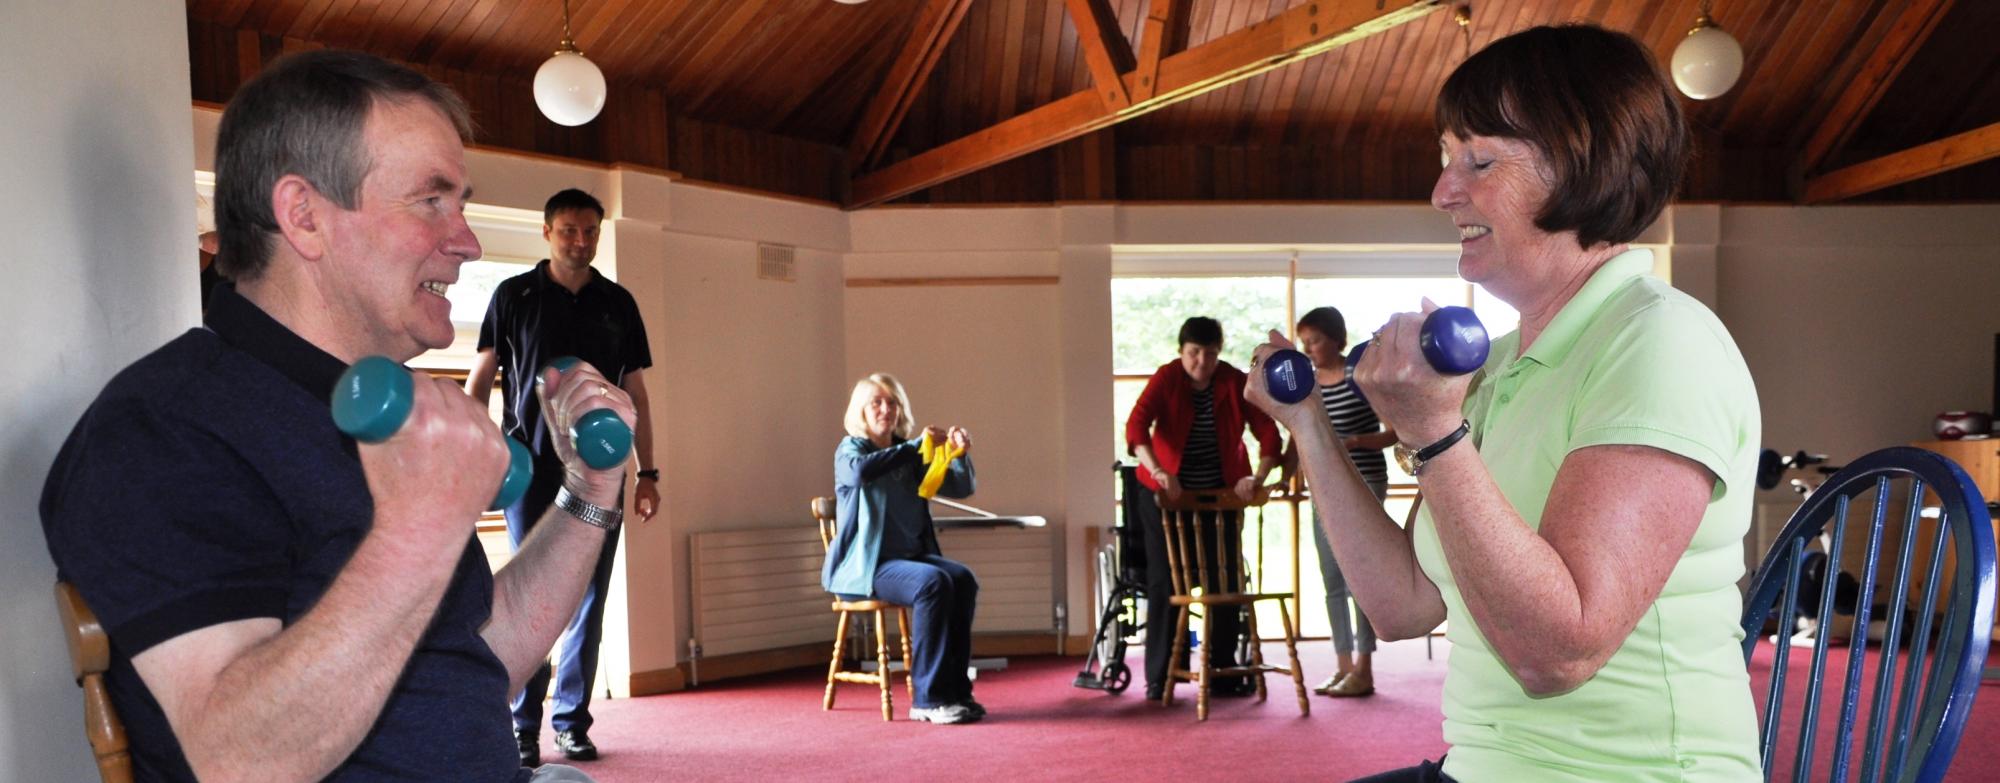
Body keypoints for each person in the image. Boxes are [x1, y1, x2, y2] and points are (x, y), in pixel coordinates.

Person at [39, 49, 631, 783]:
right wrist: (417, 528)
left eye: (463, 204)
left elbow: (482, 657)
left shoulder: (365, 410)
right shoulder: (163, 428)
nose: (468, 241)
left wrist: (589, 489)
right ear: (305, 216)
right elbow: (242, 759)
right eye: (431, 201)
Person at [1245, 25, 1760, 782]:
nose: (1442, 190)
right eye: (1446, 158)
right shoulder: (1502, 367)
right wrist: (1309, 428)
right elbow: (1404, 605)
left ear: (1586, 166)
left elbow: (1558, 653)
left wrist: (1435, 433)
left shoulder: (1661, 342)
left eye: (1479, 159)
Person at [468, 188, 658, 767]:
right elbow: (479, 382)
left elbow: (638, 397)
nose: (581, 241)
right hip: (528, 469)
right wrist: (472, 452)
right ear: (547, 232)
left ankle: (572, 722)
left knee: (589, 597)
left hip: (601, 473)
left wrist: (646, 472)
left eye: (590, 232)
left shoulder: (619, 303)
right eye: (569, 230)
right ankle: (523, 727)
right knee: (531, 595)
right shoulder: (513, 296)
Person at [1124, 316, 1283, 701]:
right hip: (1167, 496)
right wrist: (1158, 470)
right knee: (1166, 583)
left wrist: (1257, 477)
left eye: (1210, 354)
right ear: (1182, 352)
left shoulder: (1231, 380)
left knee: (1225, 582)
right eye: (1194, 353)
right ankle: (1160, 676)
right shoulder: (1166, 378)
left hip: (1222, 496)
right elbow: (1136, 427)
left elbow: (1267, 433)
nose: (1201, 362)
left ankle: (1223, 672)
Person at [824, 373, 983, 724]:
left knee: (963, 579)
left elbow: (960, 487)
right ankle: (927, 699)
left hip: (909, 559)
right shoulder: (851, 449)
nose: (886, 409)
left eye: (892, 402)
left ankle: (956, 692)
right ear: (861, 412)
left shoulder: (912, 453)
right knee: (933, 583)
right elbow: (860, 473)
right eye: (876, 402)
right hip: (867, 566)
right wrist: (913, 447)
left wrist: (959, 455)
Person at [1290, 306, 1397, 698]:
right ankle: (1343, 667)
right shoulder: (1308, 385)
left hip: (1365, 480)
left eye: (1315, 341)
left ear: (1336, 339)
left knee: (1360, 581)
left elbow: (1393, 432)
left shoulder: (1359, 377)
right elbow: (1296, 436)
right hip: (1324, 488)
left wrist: (1354, 443)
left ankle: (1365, 669)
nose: (1310, 349)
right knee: (1332, 580)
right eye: (1305, 343)